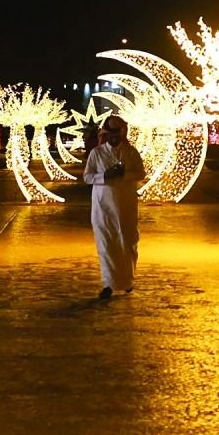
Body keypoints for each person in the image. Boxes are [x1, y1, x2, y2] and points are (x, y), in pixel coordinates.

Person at [83, 115, 145, 299]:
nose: (114, 137)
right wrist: (105, 176)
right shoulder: (97, 153)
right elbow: (87, 177)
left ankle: (127, 281)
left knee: (128, 242)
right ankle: (108, 284)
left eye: (117, 134)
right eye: (111, 133)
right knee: (106, 244)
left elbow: (141, 173)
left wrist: (125, 174)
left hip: (126, 206)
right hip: (103, 208)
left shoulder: (131, 152)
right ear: (105, 134)